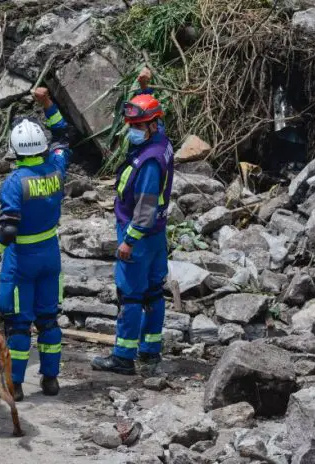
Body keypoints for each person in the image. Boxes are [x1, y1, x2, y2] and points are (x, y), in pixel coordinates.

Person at [0, 87, 71, 401]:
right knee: (48, 320)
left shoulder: (14, 183)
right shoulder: (57, 170)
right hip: (51, 256)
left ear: (17, 151)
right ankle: (50, 380)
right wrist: (47, 104)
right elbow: (62, 134)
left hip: (22, 262)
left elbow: (7, 231)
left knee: (18, 325)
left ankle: (14, 385)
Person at [91, 70, 174, 375]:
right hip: (156, 236)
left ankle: (123, 356)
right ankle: (150, 351)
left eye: (138, 126)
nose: (132, 131)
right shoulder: (160, 140)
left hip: (139, 236)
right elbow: (156, 115)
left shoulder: (150, 161)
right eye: (131, 126)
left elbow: (145, 207)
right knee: (154, 292)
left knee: (131, 295)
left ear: (150, 126)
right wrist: (145, 88)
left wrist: (129, 240)